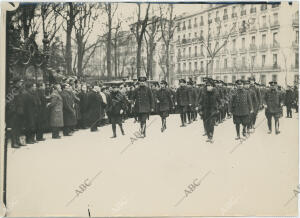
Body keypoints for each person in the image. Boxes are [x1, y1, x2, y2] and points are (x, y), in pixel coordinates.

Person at [199, 79, 219, 143]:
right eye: (207, 86)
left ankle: (211, 136)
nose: (208, 87)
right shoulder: (204, 93)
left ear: (213, 86)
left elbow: (220, 101)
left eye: (210, 86)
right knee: (206, 124)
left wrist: (217, 108)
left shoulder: (216, 93)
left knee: (211, 124)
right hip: (205, 111)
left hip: (213, 111)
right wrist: (200, 109)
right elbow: (200, 102)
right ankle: (208, 136)